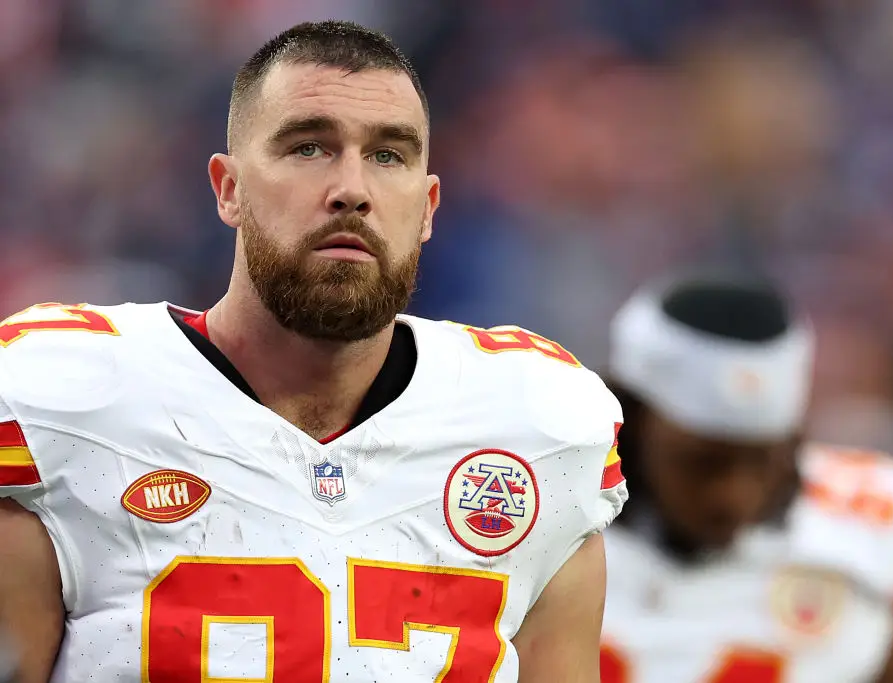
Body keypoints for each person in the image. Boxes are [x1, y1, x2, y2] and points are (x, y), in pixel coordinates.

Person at [0, 21, 628, 683]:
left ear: (427, 208)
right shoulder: (68, 406)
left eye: (389, 155)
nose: (352, 188)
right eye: (308, 147)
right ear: (229, 189)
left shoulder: (539, 429)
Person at [599, 274, 893, 683]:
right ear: (630, 426)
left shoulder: (878, 520)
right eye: (701, 462)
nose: (733, 496)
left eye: (762, 461)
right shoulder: (554, 523)